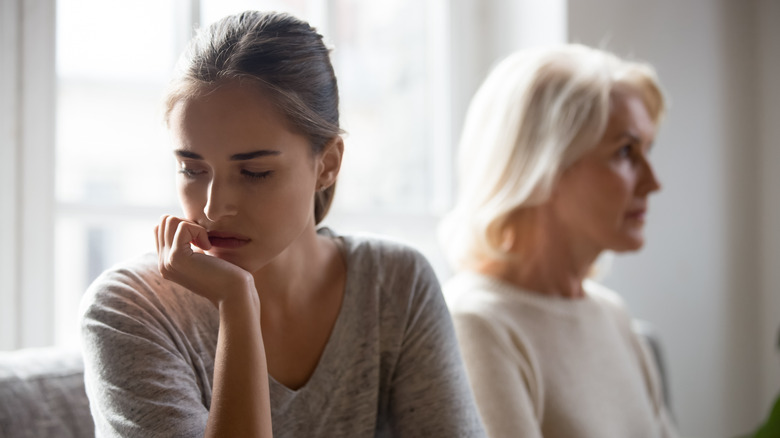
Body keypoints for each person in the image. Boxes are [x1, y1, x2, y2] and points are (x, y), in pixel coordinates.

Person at [80, 11, 484, 437]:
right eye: (192, 170)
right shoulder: (125, 310)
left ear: (327, 164)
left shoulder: (396, 284)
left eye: (254, 173)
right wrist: (237, 304)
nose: (214, 208)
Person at [440, 44, 679, 438]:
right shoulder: (476, 325)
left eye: (648, 151)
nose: (654, 183)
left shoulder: (612, 314)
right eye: (625, 152)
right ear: (544, 168)